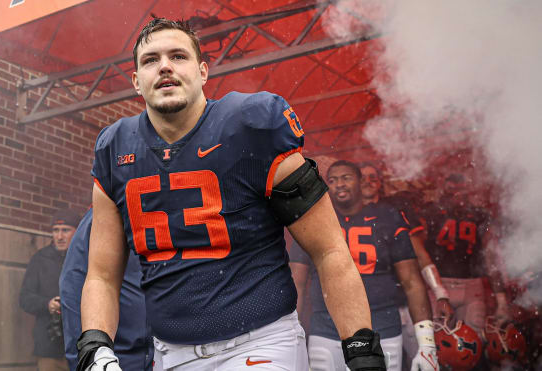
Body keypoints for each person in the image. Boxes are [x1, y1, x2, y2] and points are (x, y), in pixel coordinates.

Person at [77, 18, 387, 371]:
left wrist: (360, 345)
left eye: (178, 56)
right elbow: (101, 274)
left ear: (204, 71)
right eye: (150, 60)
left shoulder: (252, 125)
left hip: (262, 343)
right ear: (135, 81)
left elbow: (329, 248)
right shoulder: (115, 149)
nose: (164, 66)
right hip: (170, 353)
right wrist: (95, 345)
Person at [290, 160, 438, 371]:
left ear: (361, 182)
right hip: (326, 329)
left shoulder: (388, 218)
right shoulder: (314, 220)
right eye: (332, 180)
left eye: (346, 178)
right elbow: (297, 282)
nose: (339, 184)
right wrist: (292, 335)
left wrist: (426, 342)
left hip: (382, 327)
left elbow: (412, 281)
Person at [359, 163, 453, 369]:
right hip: (372, 307)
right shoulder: (344, 214)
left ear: (380, 183)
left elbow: (420, 253)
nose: (367, 181)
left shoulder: (393, 211)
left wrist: (440, 293)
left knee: (424, 359)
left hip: (407, 302)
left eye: (372, 177)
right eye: (363, 177)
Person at [59, 208, 154, 370]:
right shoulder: (106, 215)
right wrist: (85, 360)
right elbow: (73, 288)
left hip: (164, 354)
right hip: (117, 357)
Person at [422, 174, 509, 336]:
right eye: (451, 191)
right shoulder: (429, 212)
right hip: (439, 285)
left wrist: (501, 299)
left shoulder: (479, 215)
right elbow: (419, 253)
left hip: (467, 286)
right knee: (439, 344)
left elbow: (490, 256)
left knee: (471, 344)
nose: (456, 197)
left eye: (460, 191)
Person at [20, 209, 80, 371]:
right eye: (55, 230)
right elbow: (25, 298)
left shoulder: (85, 259)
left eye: (65, 230)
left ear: (77, 231)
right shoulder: (40, 259)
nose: (59, 236)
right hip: (49, 346)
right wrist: (48, 304)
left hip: (80, 346)